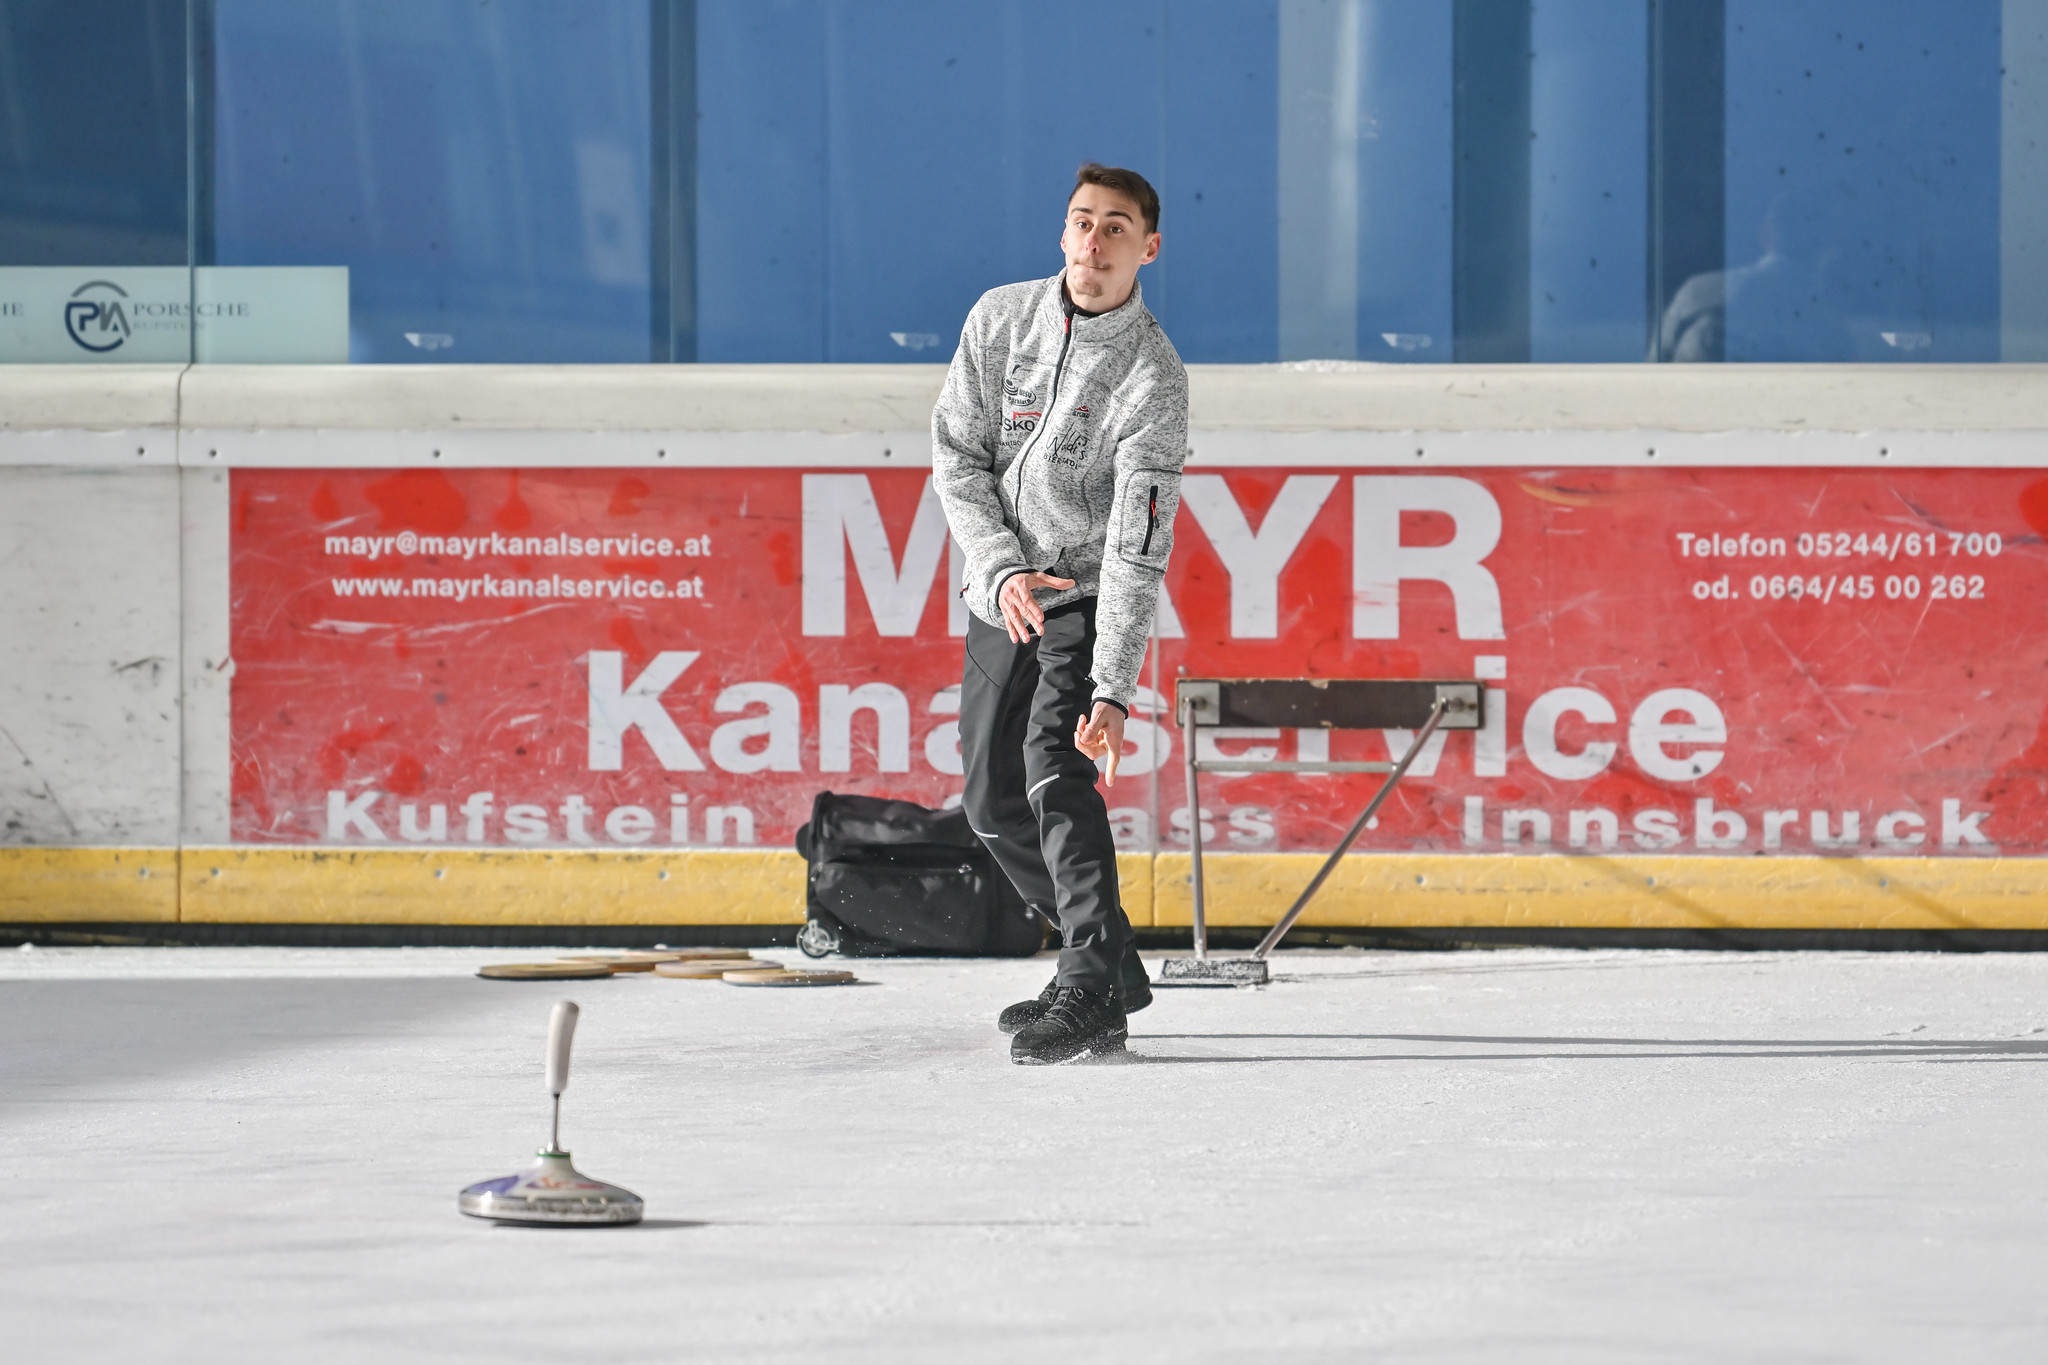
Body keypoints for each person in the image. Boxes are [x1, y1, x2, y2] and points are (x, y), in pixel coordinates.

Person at [931, 162, 1188, 1064]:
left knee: (1053, 769)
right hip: (1001, 595)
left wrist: (1112, 688)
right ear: (1062, 232)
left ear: (1147, 248)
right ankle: (1109, 954)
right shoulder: (999, 319)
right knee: (991, 806)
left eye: (1116, 227)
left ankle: (1088, 984)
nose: (1094, 241)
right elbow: (956, 457)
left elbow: (1136, 547)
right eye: (1082, 221)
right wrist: (999, 569)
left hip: (1077, 597)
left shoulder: (1153, 379)